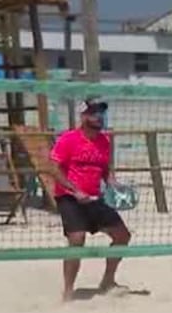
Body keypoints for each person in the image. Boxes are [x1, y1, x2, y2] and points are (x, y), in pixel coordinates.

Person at [48, 98, 132, 302]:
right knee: (77, 240)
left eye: (100, 113)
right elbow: (54, 169)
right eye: (93, 112)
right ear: (83, 116)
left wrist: (115, 185)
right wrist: (75, 191)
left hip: (95, 197)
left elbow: (105, 171)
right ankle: (68, 292)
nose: (98, 116)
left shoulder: (104, 141)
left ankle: (108, 281)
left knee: (122, 236)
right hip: (70, 197)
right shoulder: (68, 139)